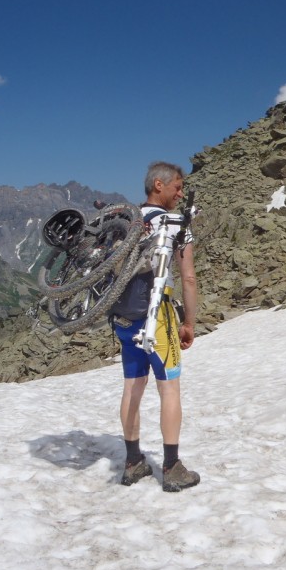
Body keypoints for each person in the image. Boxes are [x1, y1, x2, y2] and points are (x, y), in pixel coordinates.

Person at [111, 161, 200, 492]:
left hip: (124, 320)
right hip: (157, 319)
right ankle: (172, 467)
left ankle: (133, 462)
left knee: (133, 386)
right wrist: (189, 322)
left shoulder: (127, 222)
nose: (181, 192)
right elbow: (188, 278)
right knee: (169, 388)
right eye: (177, 185)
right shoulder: (178, 224)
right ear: (158, 186)